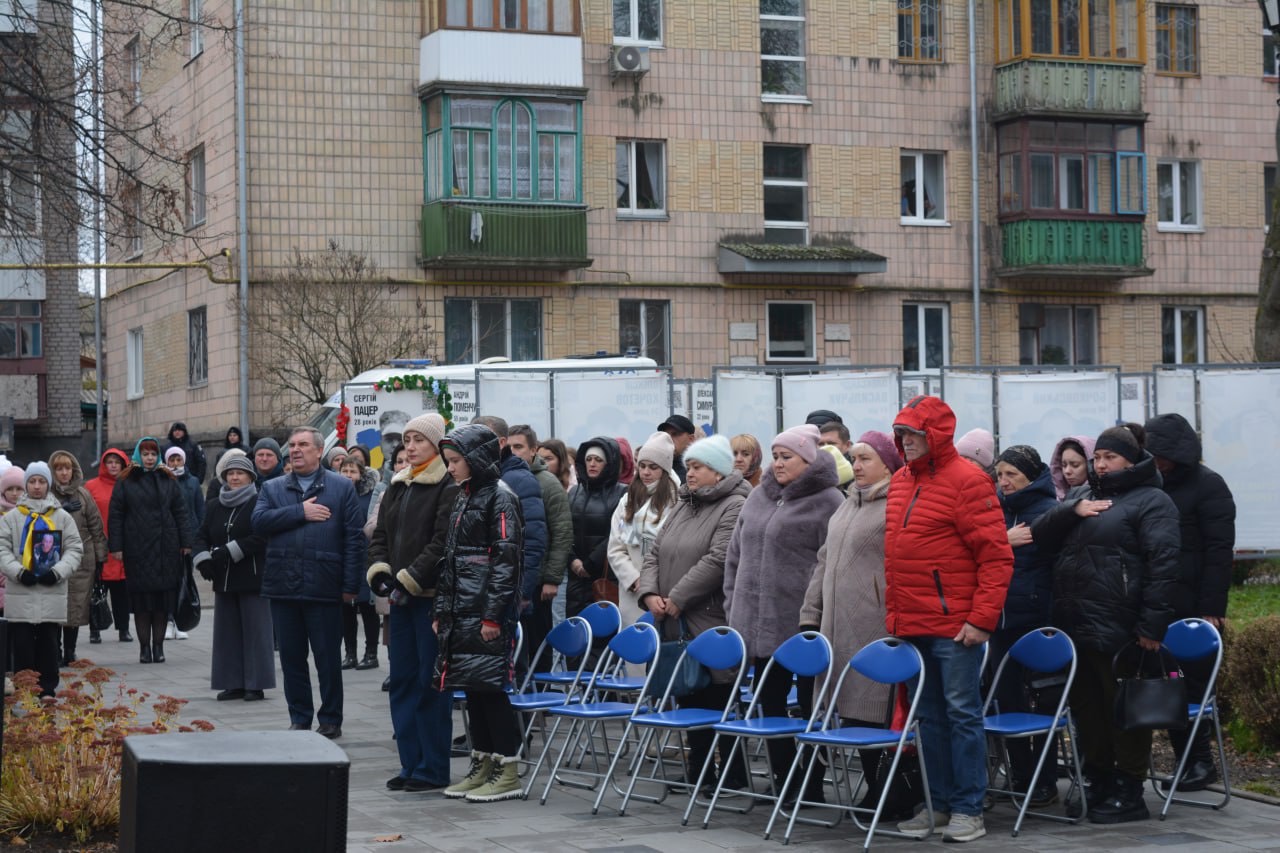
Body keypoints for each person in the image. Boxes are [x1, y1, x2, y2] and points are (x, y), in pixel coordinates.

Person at [1031, 423, 1180, 824]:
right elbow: (1039, 536)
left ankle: (1129, 790)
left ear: (1131, 460)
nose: (1100, 464)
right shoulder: (1081, 494)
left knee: (1123, 712)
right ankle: (1097, 779)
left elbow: (1164, 567)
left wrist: (1151, 627)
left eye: (1109, 457)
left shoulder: (1153, 501)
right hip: (1076, 624)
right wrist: (1069, 509)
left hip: (1122, 627)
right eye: (1097, 457)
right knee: (1087, 710)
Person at [885, 396, 1013, 844]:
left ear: (934, 435)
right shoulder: (900, 481)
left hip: (956, 627)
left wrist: (981, 620)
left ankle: (967, 808)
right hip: (914, 624)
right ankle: (937, 805)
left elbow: (996, 557)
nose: (906, 441)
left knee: (961, 716)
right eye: (901, 433)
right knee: (929, 718)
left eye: (914, 433)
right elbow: (895, 558)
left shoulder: (968, 481)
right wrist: (896, 617)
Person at [724, 424, 843, 802]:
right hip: (757, 621)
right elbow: (734, 556)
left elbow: (833, 564)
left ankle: (812, 781)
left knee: (809, 704)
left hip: (802, 622)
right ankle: (784, 776)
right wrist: (733, 603)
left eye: (786, 456)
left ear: (808, 460)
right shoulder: (759, 496)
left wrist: (821, 615)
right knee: (770, 701)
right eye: (775, 456)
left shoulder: (829, 501)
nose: (778, 464)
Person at [636, 434, 751, 790]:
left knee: (717, 694)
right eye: (689, 466)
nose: (690, 473)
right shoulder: (685, 503)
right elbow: (654, 551)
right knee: (689, 691)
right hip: (674, 617)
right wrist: (650, 593)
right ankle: (701, 770)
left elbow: (718, 558)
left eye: (698, 466)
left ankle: (732, 774)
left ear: (717, 471)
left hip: (709, 616)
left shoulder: (734, 504)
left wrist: (679, 596)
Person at [800, 430, 904, 811]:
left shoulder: (896, 504)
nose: (857, 466)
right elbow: (824, 561)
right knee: (848, 706)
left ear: (888, 465)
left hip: (874, 622)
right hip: (836, 622)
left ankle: (888, 790)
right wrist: (810, 613)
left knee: (874, 707)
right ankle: (875, 785)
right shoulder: (846, 504)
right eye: (855, 459)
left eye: (866, 459)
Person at [252, 426, 365, 739]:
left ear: (319, 451)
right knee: (291, 659)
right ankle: (299, 717)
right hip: (283, 585)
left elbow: (354, 539)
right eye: (292, 445)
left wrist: (350, 585)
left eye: (303, 445)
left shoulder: (341, 487)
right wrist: (299, 511)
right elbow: (259, 523)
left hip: (324, 585)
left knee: (328, 659)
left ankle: (330, 719)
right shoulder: (273, 488)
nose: (296, 450)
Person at [1144, 412, 1237, 792]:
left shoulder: (1209, 485)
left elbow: (1219, 551)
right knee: (1168, 686)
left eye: (1159, 454)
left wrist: (1211, 607)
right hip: (1161, 603)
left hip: (1194, 606)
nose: (1154, 461)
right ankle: (1187, 761)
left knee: (1192, 687)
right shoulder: (1155, 484)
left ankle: (1199, 762)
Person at [434, 424, 525, 803]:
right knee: (472, 689)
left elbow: (506, 563)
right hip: (461, 611)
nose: (451, 468)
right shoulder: (463, 497)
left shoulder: (500, 499)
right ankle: (482, 761)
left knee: (491, 689)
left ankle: (508, 767)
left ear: (476, 460)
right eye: (449, 461)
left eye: (456, 461)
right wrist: (442, 608)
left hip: (484, 613)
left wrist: (492, 616)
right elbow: (450, 560)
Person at [368, 413, 459, 792]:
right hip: (401, 600)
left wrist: (410, 577)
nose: (410, 446)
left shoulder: (447, 485)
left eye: (419, 439)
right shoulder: (398, 484)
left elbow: (442, 542)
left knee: (430, 683)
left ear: (437, 444)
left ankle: (432, 768)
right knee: (402, 680)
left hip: (430, 599)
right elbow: (381, 535)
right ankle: (409, 764)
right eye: (407, 439)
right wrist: (381, 571)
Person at [991, 444, 1060, 806]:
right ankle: (1020, 774)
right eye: (999, 474)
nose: (1004, 482)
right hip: (1000, 622)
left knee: (1044, 706)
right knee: (1008, 702)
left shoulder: (1048, 512)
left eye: (1012, 475)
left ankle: (1045, 779)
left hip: (1037, 623)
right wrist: (1003, 541)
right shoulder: (997, 511)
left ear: (1030, 476)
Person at [193, 452, 273, 702]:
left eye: (240, 473)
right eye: (231, 473)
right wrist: (202, 558)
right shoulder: (215, 504)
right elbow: (201, 534)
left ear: (250, 477)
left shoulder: (260, 501)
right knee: (227, 634)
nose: (235, 477)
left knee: (255, 633)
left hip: (251, 577)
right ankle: (232, 683)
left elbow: (262, 536)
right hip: (223, 577)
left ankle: (255, 684)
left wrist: (230, 550)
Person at [0, 462, 84, 697]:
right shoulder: (12, 518)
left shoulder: (62, 517)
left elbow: (75, 549)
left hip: (51, 591)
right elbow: (2, 549)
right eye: (33, 482)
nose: (37, 486)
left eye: (42, 482)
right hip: (21, 591)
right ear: (27, 484)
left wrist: (57, 572)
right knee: (23, 645)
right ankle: (25, 691)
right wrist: (18, 572)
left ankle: (47, 689)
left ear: (49, 484)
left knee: (49, 643)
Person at [109, 437, 193, 664]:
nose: (149, 458)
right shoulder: (126, 480)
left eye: (153, 454)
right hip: (137, 548)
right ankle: (144, 648)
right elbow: (116, 514)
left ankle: (159, 647)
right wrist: (116, 546)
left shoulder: (168, 479)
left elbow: (180, 512)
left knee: (162, 602)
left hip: (166, 547)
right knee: (142, 602)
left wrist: (186, 542)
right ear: (138, 455)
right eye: (145, 454)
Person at [473, 416, 547, 640]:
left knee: (510, 659)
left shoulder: (520, 480)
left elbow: (533, 540)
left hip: (507, 590)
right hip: (478, 589)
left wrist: (523, 591)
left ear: (500, 442)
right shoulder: (476, 478)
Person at [510, 424, 572, 669]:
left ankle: (542, 702)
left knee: (538, 644)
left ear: (533, 449)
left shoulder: (547, 483)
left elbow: (562, 532)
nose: (514, 452)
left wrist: (552, 578)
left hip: (537, 580)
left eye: (519, 447)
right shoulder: (506, 478)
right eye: (509, 446)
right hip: (514, 577)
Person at [608, 432, 679, 631]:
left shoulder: (679, 502)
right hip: (634, 593)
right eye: (642, 466)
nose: (646, 472)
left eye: (653, 467)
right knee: (636, 654)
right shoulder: (627, 501)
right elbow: (616, 549)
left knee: (667, 656)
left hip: (667, 594)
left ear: (664, 470)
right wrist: (637, 581)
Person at [48, 450, 108, 661]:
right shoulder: (46, 494)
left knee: (75, 608)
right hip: (53, 560)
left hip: (82, 560)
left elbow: (95, 526)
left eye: (67, 468)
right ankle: (55, 650)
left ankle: (70, 651)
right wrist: (59, 509)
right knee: (55, 607)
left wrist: (101, 557)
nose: (64, 473)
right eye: (59, 469)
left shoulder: (83, 495)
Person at [566, 437, 627, 620]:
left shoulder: (623, 492)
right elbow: (564, 530)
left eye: (599, 460)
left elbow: (619, 532)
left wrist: (590, 563)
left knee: (603, 631)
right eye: (589, 459)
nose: (592, 464)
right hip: (576, 576)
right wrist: (573, 560)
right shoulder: (574, 492)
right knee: (576, 631)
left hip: (605, 575)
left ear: (609, 464)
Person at [338, 455, 382, 671]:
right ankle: (350, 653)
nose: (348, 475)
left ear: (361, 474)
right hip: (344, 558)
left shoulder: (368, 495)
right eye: (344, 471)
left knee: (367, 608)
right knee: (346, 610)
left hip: (365, 557)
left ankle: (371, 653)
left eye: (352, 471)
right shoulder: (337, 494)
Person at [85, 448, 132, 641]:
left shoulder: (129, 484)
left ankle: (124, 629)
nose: (113, 465)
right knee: (96, 591)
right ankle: (95, 630)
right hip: (99, 545)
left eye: (117, 462)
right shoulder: (91, 486)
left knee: (122, 593)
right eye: (109, 461)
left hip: (122, 546)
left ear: (123, 464)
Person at [165, 445, 205, 640]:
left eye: (178, 460)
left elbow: (199, 511)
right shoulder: (163, 480)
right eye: (171, 460)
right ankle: (168, 620)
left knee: (185, 581)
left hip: (188, 539)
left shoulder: (193, 482)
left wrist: (198, 538)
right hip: (168, 539)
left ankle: (181, 621)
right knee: (169, 581)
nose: (174, 463)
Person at [1049, 435, 1096, 500]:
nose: (1067, 471)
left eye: (1075, 465)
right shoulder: (1055, 499)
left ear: (1091, 465)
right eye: (1064, 465)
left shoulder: (1100, 499)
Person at [657, 415, 697, 482]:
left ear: (691, 439)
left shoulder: (701, 470)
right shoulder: (656, 466)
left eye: (675, 434)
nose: (668, 439)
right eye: (665, 435)